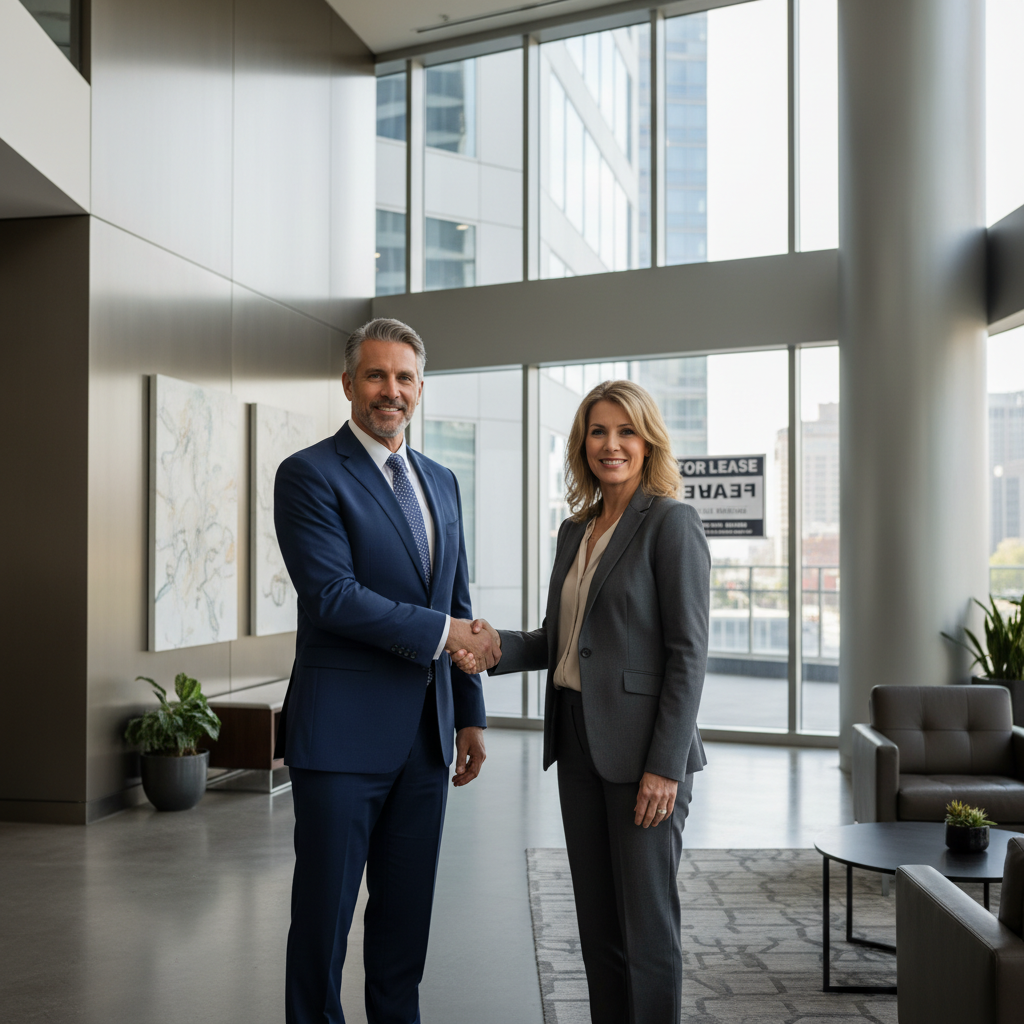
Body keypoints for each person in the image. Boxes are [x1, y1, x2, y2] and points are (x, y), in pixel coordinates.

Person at [455, 379, 710, 1024]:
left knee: (647, 932)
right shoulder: (576, 531)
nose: (612, 444)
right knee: (597, 927)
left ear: (648, 440)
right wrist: (492, 648)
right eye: (598, 431)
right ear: (582, 444)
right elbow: (561, 640)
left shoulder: (671, 523)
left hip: (645, 755)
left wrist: (666, 766)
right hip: (577, 743)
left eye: (626, 431)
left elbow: (688, 654)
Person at [273, 317, 501, 1024]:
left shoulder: (442, 481)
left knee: (405, 927)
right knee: (323, 924)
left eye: (404, 378)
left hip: (427, 743)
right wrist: (447, 633)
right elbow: (334, 597)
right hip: (340, 740)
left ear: (421, 389)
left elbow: (457, 599)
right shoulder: (309, 475)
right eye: (376, 376)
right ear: (348, 384)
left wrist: (469, 713)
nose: (390, 391)